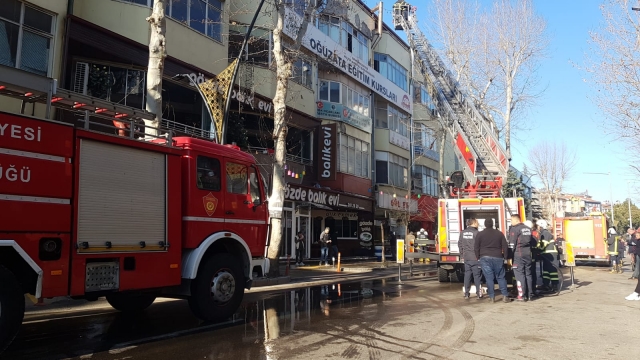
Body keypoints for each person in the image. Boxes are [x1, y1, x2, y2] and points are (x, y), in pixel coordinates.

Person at [474, 218, 510, 303]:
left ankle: (492, 297)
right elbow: (505, 246)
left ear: (485, 224)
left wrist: (478, 257)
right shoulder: (499, 234)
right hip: (498, 257)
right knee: (501, 277)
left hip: (485, 258)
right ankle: (505, 296)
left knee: (489, 278)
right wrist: (505, 257)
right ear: (493, 224)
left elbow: (476, 247)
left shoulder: (480, 234)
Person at [508, 215, 534, 301]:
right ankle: (530, 294)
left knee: (520, 275)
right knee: (528, 274)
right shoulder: (528, 228)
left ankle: (522, 295)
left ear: (516, 220)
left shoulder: (514, 229)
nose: (511, 222)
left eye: (511, 220)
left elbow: (512, 244)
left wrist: (509, 257)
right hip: (528, 254)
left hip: (518, 254)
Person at [459, 218, 482, 300]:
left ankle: (466, 294)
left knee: (467, 276)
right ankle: (479, 294)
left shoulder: (462, 233)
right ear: (473, 223)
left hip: (466, 258)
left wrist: (462, 255)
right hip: (475, 258)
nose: (478, 223)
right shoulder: (477, 233)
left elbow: (460, 244)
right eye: (477, 222)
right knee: (477, 276)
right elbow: (480, 246)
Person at [537, 219, 560, 292]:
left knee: (552, 271)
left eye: (538, 226)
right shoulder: (543, 233)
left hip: (551, 255)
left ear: (541, 226)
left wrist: (537, 250)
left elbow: (543, 245)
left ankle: (554, 286)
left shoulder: (545, 233)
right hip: (547, 255)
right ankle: (545, 284)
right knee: (546, 271)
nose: (537, 227)